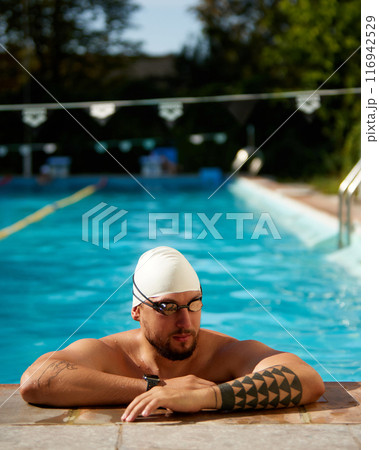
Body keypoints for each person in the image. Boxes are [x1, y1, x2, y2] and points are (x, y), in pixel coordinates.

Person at [20, 246, 324, 422]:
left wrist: (205, 397)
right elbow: (37, 380)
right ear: (137, 310)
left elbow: (308, 379)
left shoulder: (224, 353)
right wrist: (155, 388)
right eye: (167, 307)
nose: (185, 321)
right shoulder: (110, 353)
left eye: (193, 304)